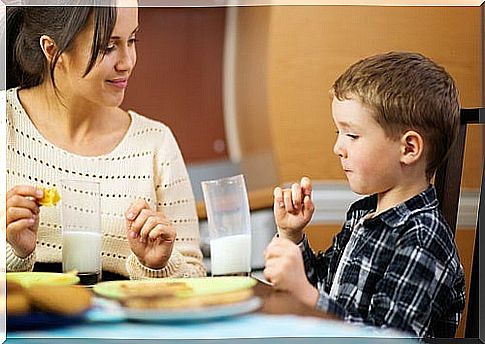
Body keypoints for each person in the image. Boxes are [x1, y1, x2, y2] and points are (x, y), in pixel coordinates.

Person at [263, 52, 465, 337]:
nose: (338, 147)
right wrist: (291, 236)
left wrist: (308, 295)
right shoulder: (362, 214)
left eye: (352, 135)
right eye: (338, 132)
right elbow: (325, 290)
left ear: (408, 149)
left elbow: (390, 337)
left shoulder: (422, 237)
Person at [4, 1, 206, 279]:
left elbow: (196, 280)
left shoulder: (155, 144)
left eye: (132, 40)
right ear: (53, 50)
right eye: (108, 47)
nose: (127, 62)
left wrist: (158, 266)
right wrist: (15, 253)